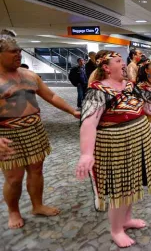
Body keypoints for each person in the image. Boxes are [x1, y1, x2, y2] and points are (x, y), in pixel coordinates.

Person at [75, 50, 151, 248]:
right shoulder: (97, 91)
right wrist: (86, 154)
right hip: (115, 144)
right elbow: (89, 123)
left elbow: (147, 107)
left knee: (131, 185)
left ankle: (126, 220)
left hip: (138, 139)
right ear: (106, 67)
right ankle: (116, 229)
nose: (123, 64)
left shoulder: (130, 85)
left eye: (122, 60)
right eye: (118, 61)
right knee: (121, 190)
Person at [0, 29, 80, 229]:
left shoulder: (29, 75)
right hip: (7, 133)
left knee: (37, 170)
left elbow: (51, 96)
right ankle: (14, 211)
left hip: (34, 129)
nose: (18, 54)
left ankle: (37, 205)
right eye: (12, 52)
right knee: (14, 177)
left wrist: (72, 111)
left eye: (19, 51)